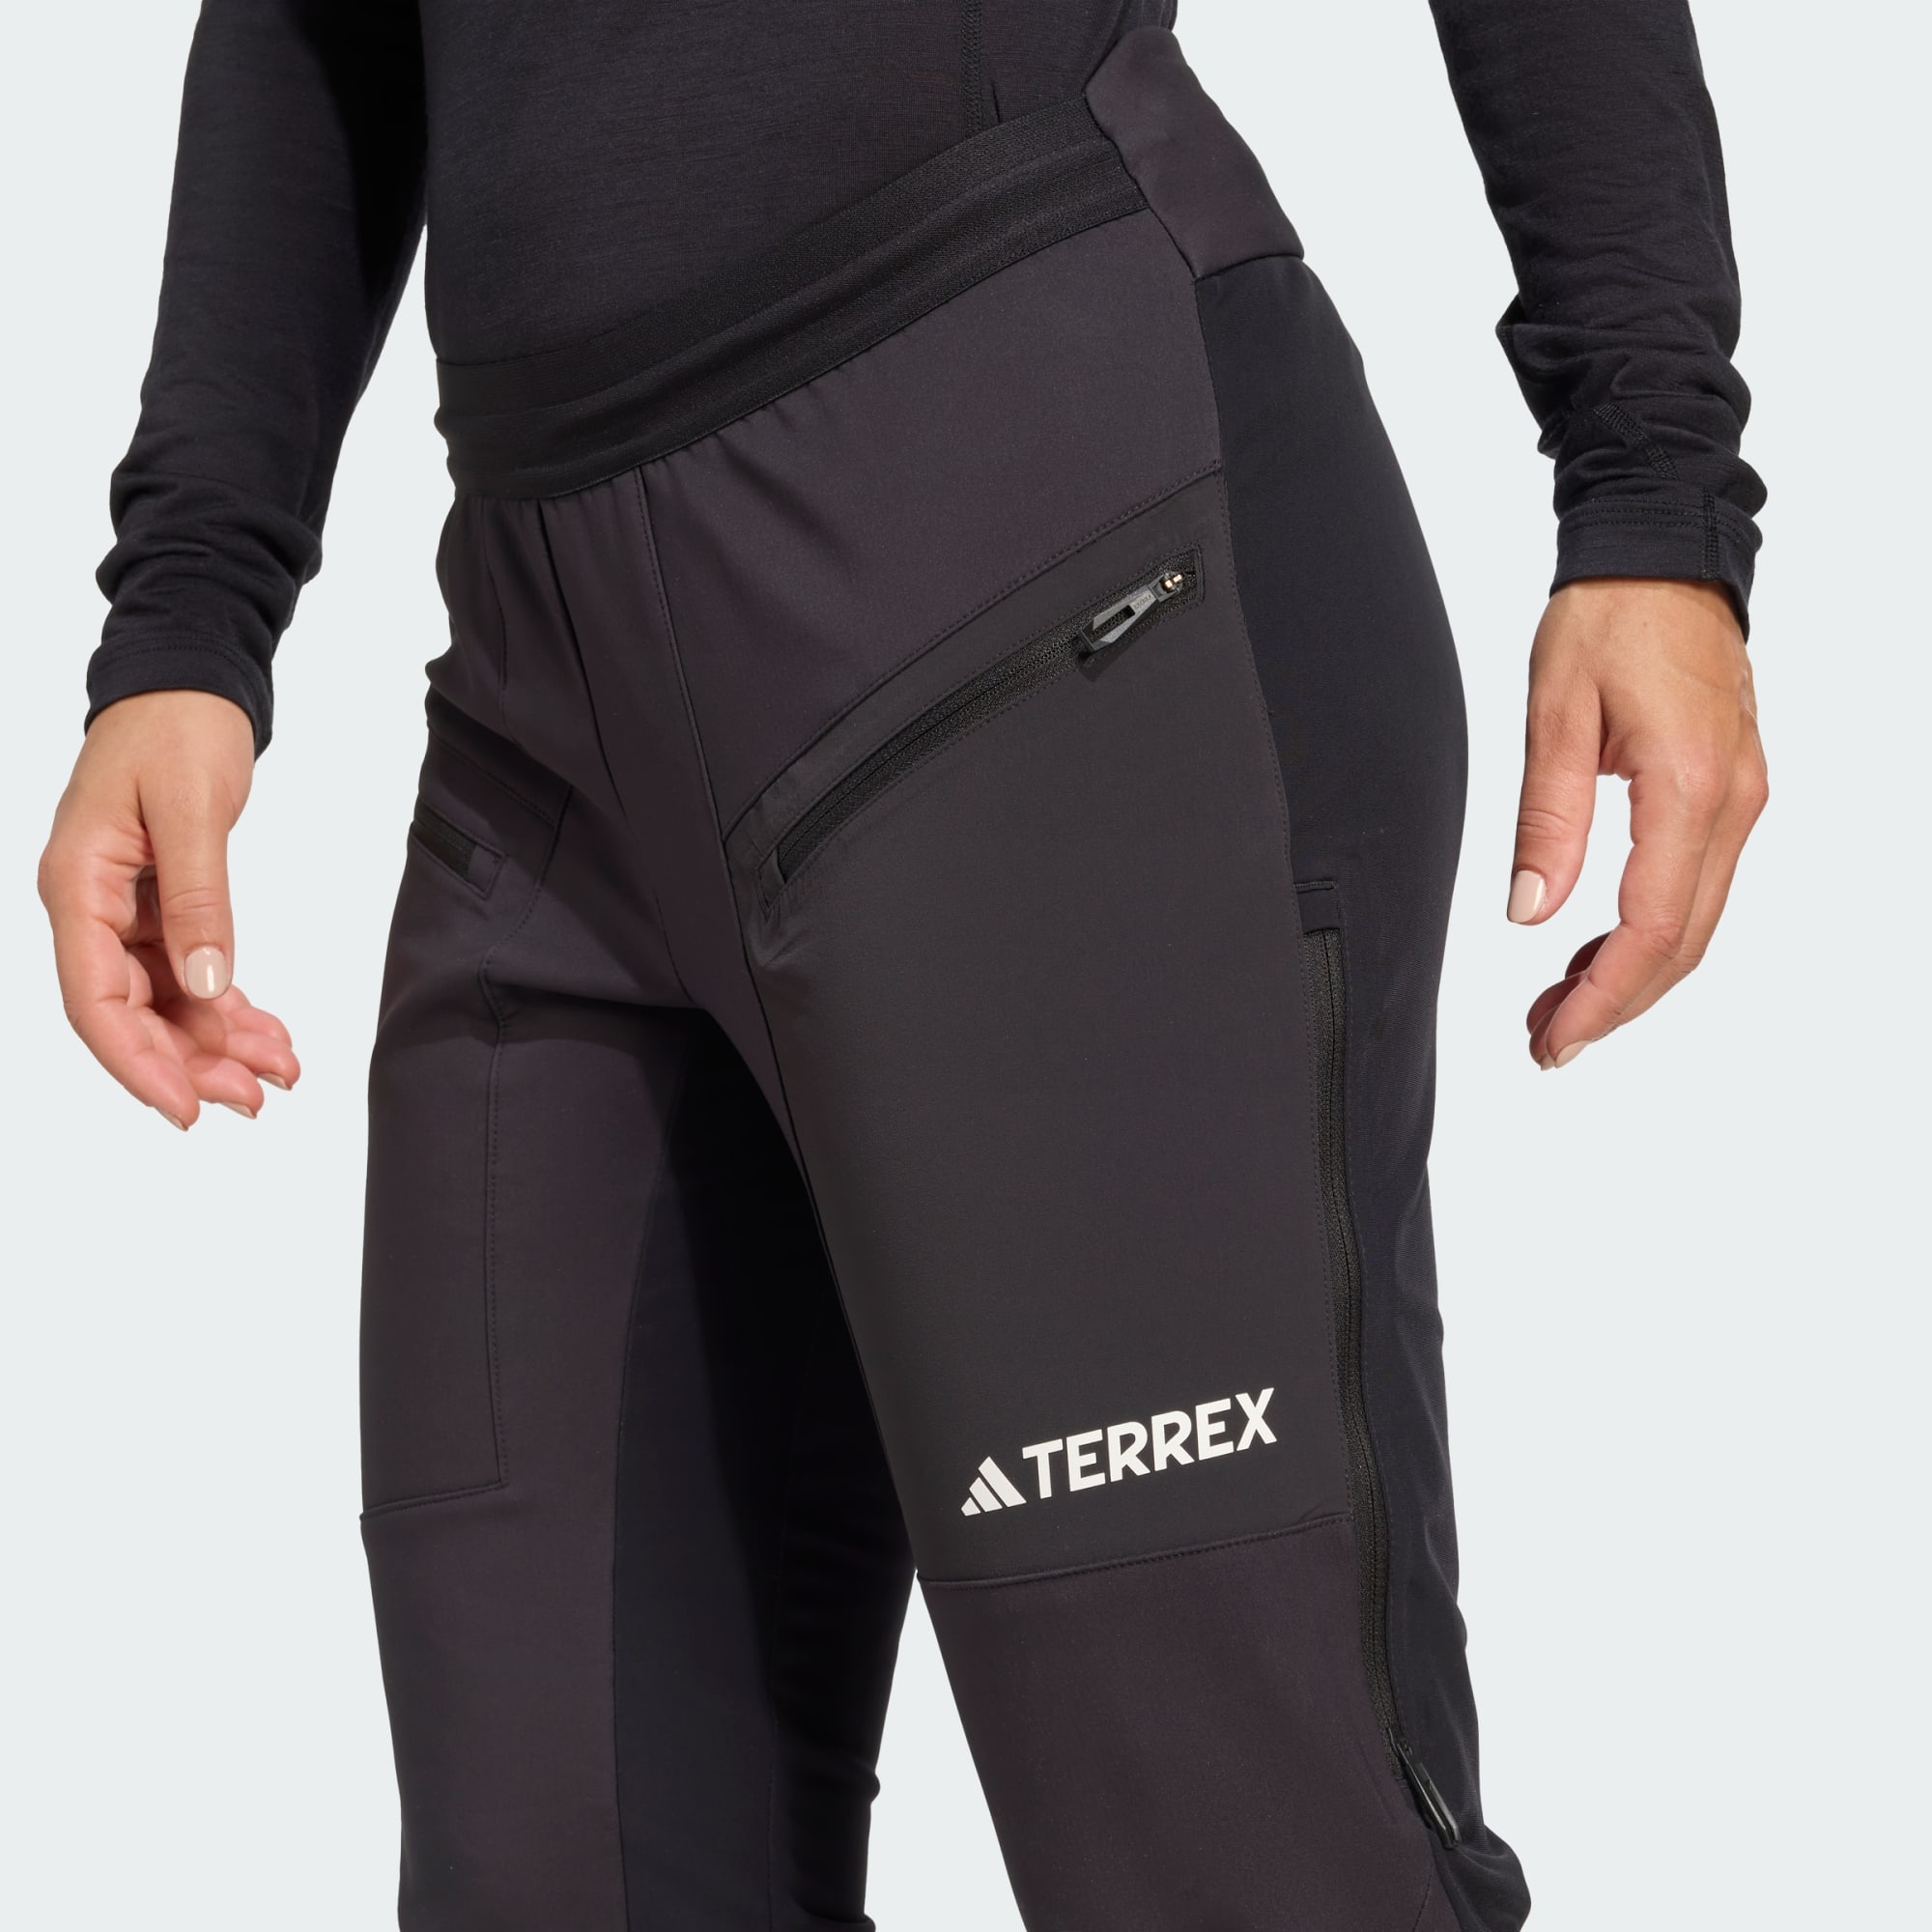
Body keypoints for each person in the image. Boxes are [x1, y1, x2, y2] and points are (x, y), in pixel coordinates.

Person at [37, 4, 1766, 1927]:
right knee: (558, 1868)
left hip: (1050, 570)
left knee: (1239, 1857)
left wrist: (1654, 496)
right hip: (548, 716)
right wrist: (188, 617)